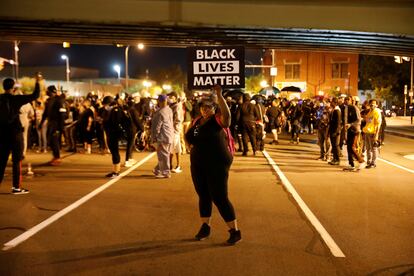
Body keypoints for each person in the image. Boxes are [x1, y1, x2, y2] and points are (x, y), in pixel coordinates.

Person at [185, 85, 241, 245]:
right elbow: (190, 136)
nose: (205, 110)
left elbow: (228, 118)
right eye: (203, 107)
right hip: (198, 163)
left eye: (209, 107)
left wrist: (219, 95)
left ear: (214, 108)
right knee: (203, 194)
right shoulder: (197, 122)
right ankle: (205, 226)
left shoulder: (218, 121)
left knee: (219, 196)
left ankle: (234, 231)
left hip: (217, 163)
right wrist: (189, 146)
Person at [0, 74, 41, 194]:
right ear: (13, 88)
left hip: (2, 134)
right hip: (15, 133)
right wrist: (37, 82)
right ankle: (16, 187)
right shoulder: (16, 99)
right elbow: (35, 95)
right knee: (17, 160)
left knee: (1, 161)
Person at [40, 85, 66, 165]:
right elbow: (45, 113)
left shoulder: (59, 100)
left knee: (54, 140)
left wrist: (61, 126)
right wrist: (41, 123)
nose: (46, 92)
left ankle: (57, 158)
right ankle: (55, 156)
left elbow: (62, 113)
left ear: (51, 91)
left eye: (47, 90)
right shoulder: (48, 100)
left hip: (56, 123)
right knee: (50, 141)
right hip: (50, 123)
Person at [151, 94, 174, 178]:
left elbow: (156, 127)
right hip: (169, 135)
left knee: (163, 155)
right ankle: (157, 169)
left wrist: (154, 138)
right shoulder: (169, 109)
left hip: (163, 136)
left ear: (159, 101)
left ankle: (166, 172)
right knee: (165, 154)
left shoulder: (160, 112)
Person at [343, 96, 365, 171]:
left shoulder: (354, 108)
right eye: (345, 99)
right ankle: (351, 164)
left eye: (348, 99)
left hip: (354, 130)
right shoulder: (346, 108)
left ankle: (361, 161)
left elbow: (358, 120)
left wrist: (350, 124)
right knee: (348, 147)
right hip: (348, 130)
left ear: (352, 101)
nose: (346, 101)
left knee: (352, 147)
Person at [362, 99, 382, 169]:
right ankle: (369, 162)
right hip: (367, 132)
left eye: (374, 104)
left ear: (377, 105)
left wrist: (376, 135)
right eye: (371, 104)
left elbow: (378, 124)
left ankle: (373, 163)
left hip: (372, 133)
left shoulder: (377, 112)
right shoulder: (370, 111)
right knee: (368, 149)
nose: (372, 105)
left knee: (373, 149)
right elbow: (368, 121)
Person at [167, 91, 183, 173]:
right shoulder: (173, 105)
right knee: (176, 148)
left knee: (171, 148)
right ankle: (176, 166)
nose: (169, 99)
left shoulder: (176, 106)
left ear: (175, 98)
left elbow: (177, 119)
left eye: (171, 97)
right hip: (175, 130)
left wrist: (171, 128)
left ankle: (170, 166)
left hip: (174, 130)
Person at [328, 97, 342, 165]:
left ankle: (337, 159)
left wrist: (336, 131)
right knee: (333, 145)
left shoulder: (337, 111)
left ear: (335, 103)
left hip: (335, 131)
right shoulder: (334, 110)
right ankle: (334, 158)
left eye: (331, 102)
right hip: (332, 130)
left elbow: (338, 123)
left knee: (335, 145)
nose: (330, 103)